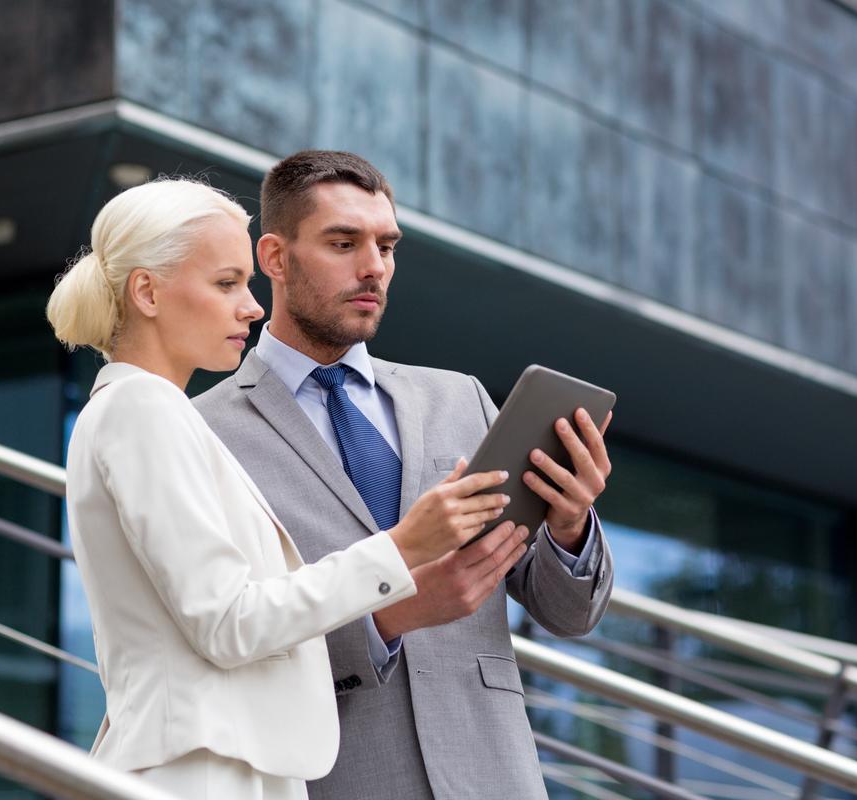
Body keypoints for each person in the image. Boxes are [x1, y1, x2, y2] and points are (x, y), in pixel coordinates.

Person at [46, 177, 516, 798]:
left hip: (234, 761)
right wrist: (400, 548)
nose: (254, 306)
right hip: (203, 769)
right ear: (147, 291)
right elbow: (230, 621)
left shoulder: (151, 411)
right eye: (225, 283)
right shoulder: (142, 410)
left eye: (245, 282)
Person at [194, 151, 615, 799]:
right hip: (339, 779)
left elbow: (570, 615)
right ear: (274, 257)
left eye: (386, 245)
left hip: (494, 777)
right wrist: (388, 618)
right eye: (343, 243)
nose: (374, 268)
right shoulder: (204, 434)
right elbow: (223, 645)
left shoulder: (462, 400)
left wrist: (569, 523)